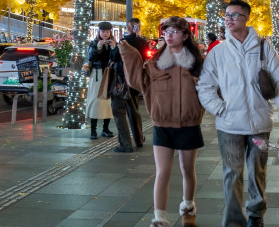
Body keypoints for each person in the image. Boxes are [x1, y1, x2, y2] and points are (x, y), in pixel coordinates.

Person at [197, 0, 279, 227]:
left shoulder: (263, 47)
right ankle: (233, 221)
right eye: (227, 16)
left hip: (259, 124)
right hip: (229, 125)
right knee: (232, 172)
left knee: (257, 172)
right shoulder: (218, 52)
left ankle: (255, 214)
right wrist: (220, 109)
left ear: (246, 18)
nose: (229, 19)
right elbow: (205, 86)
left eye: (234, 15)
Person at [120, 16, 204, 227]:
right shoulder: (155, 62)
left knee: (187, 169)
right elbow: (137, 81)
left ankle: (188, 204)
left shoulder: (197, 63)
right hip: (162, 125)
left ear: (186, 35)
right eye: (166, 31)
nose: (169, 35)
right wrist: (126, 51)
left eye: (174, 31)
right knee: (162, 171)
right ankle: (159, 218)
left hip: (189, 124)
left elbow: (212, 88)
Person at [119, 17, 150, 147]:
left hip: (125, 77)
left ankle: (136, 138)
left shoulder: (125, 41)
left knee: (127, 110)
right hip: (138, 77)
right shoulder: (143, 41)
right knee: (134, 108)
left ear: (129, 27)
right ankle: (139, 136)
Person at [86, 22, 114, 139]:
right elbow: (90, 58)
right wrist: (98, 47)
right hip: (97, 75)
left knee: (108, 103)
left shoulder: (113, 43)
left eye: (107, 31)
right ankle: (93, 130)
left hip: (109, 75)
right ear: (99, 32)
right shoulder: (93, 43)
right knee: (95, 101)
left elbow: (116, 58)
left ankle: (105, 129)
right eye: (103, 31)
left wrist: (114, 48)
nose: (105, 34)